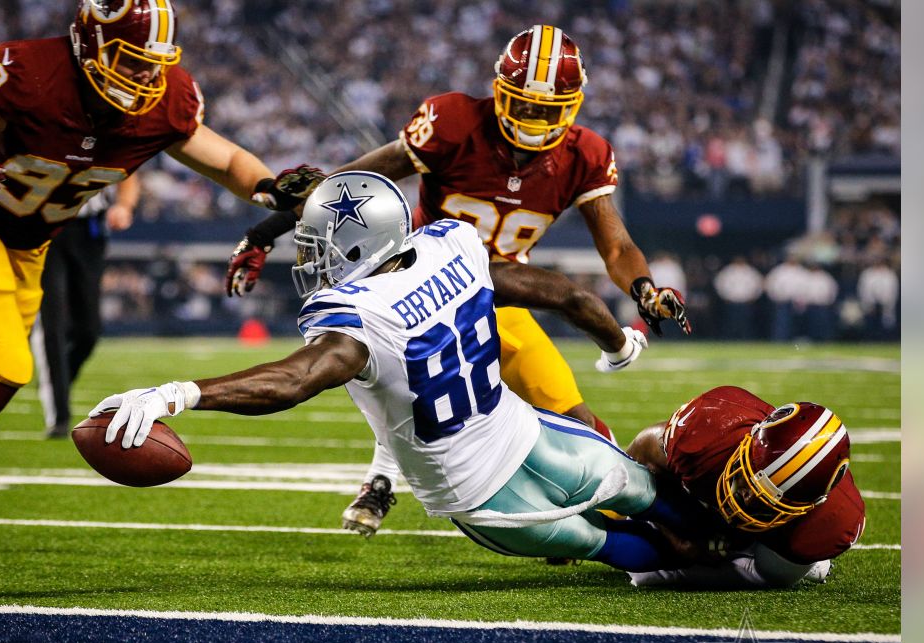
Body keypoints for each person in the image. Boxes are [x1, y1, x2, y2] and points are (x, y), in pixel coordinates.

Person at [0, 0, 313, 567]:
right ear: (90, 46)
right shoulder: (33, 76)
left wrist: (273, 190)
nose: (147, 77)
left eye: (155, 64)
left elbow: (226, 161)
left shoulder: (165, 102)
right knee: (4, 370)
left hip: (30, 242)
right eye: (132, 62)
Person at [90, 171, 703, 571]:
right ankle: (774, 552)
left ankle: (726, 568)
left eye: (317, 244)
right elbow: (562, 294)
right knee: (653, 495)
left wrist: (180, 393)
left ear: (357, 247)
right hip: (533, 435)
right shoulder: (451, 245)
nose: (310, 257)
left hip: (481, 494)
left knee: (627, 552)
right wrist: (615, 340)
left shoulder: (354, 313)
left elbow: (293, 381)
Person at [224, 25, 691, 537]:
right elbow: (356, 186)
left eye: (546, 108)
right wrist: (268, 228)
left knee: (579, 421)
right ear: (499, 92)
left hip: (502, 293)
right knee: (396, 381)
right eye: (523, 104)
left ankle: (636, 522)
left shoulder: (586, 154)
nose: (533, 120)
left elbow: (618, 246)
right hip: (425, 286)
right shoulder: (454, 121)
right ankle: (381, 476)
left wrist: (643, 287)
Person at [624, 386, 866, 588]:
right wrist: (673, 539)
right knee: (640, 529)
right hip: (707, 494)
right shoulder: (712, 429)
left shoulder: (832, 522)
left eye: (766, 501)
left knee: (774, 575)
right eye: (746, 477)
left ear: (811, 506)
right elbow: (639, 454)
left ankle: (758, 553)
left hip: (781, 538)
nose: (745, 499)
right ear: (749, 440)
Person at [33, 174, 141, 438]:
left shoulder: (104, 136)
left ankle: (58, 380)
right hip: (42, 225)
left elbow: (129, 171)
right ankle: (59, 415)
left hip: (89, 230)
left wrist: (124, 206)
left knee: (89, 331)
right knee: (54, 323)